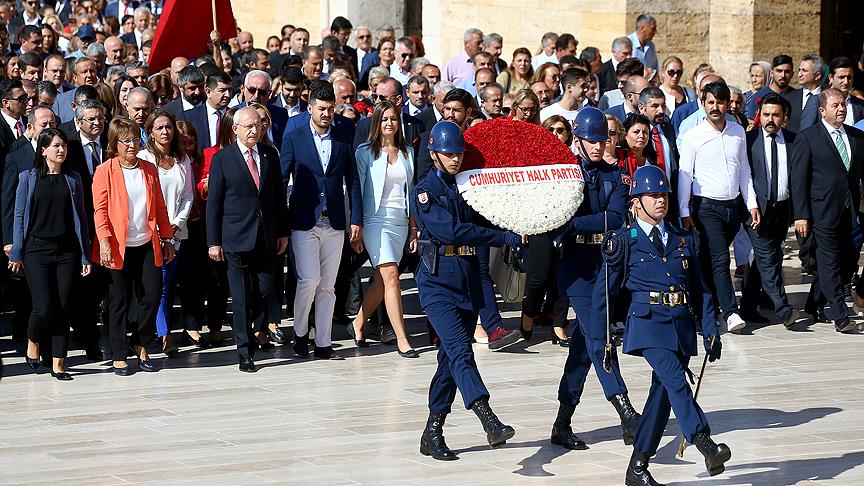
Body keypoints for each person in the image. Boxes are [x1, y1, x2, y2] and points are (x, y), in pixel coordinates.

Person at [599, 164, 729, 486]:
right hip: (646, 326)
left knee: (662, 395)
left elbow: (700, 289)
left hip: (681, 326)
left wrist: (710, 329)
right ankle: (705, 444)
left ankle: (638, 467)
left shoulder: (682, 239)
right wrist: (601, 337)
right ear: (635, 202)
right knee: (675, 380)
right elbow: (605, 293)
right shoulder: (623, 241)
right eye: (653, 195)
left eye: (664, 195)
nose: (661, 200)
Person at [413, 120, 520, 461]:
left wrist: (516, 223)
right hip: (437, 282)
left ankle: (433, 431)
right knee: (461, 350)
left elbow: (485, 217)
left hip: (467, 279)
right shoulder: (423, 190)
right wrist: (502, 237)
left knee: (448, 360)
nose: (455, 159)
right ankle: (488, 419)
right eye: (448, 153)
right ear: (433, 154)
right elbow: (454, 232)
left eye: (458, 153)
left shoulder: (468, 186)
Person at [548, 106, 638, 451]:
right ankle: (625, 410)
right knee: (600, 337)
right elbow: (558, 213)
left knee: (584, 349)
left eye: (603, 140)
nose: (599, 146)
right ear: (577, 139)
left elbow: (614, 218)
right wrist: (578, 223)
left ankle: (562, 423)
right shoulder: (564, 173)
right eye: (591, 140)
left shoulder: (615, 176)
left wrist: (576, 224)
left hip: (604, 261)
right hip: (576, 267)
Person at [281, 81, 361, 361]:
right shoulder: (295, 135)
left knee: (328, 285)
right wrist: (281, 220)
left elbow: (352, 181)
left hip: (335, 220)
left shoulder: (342, 138)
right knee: (309, 280)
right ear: (310, 107)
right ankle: (301, 331)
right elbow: (282, 177)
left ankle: (324, 343)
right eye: (321, 109)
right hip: (305, 219)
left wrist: (356, 220)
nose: (327, 114)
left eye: (331, 109)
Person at [207, 107, 288, 372]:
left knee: (264, 290)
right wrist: (213, 241)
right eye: (249, 126)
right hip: (235, 237)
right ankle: (245, 351)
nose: (255, 131)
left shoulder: (269, 155)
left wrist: (282, 231)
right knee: (240, 296)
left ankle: (247, 325)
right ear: (236, 130)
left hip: (266, 236)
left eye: (258, 125)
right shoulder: (223, 159)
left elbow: (277, 197)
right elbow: (214, 204)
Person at [93, 117, 175, 375]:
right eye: (126, 141)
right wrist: (104, 239)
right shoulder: (105, 170)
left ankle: (140, 342)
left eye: (135, 139)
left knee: (151, 295)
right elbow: (100, 209)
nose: (132, 145)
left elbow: (159, 205)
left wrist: (167, 236)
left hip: (146, 242)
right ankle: (119, 353)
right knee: (118, 301)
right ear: (114, 144)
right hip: (118, 246)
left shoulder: (148, 169)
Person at [9, 128, 91, 381]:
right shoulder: (28, 178)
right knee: (43, 307)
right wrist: (16, 251)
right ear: (43, 150)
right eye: (55, 145)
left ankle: (59, 363)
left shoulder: (73, 179)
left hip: (66, 250)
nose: (61, 150)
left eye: (64, 145)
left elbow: (82, 220)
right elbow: (19, 216)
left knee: (64, 307)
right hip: (37, 250)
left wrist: (85, 256)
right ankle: (33, 339)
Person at [678, 82, 760, 333]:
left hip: (733, 207)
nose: (715, 107)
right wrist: (684, 211)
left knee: (709, 261)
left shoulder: (738, 132)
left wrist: (752, 202)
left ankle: (705, 309)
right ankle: (731, 311)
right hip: (706, 207)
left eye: (720, 102)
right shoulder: (693, 135)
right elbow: (685, 175)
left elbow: (744, 170)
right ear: (703, 104)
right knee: (721, 259)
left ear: (728, 104)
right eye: (710, 102)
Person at [792, 88, 864, 334]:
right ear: (822, 111)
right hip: (821, 209)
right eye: (835, 105)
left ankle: (813, 304)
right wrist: (800, 214)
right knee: (829, 260)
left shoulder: (856, 136)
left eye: (843, 104)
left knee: (846, 261)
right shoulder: (809, 137)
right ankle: (840, 314)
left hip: (849, 209)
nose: (841, 108)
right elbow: (799, 179)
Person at [350, 100, 419, 358]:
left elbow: (411, 193)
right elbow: (357, 191)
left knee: (381, 280)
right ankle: (402, 338)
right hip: (374, 220)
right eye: (385, 119)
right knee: (391, 276)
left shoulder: (408, 152)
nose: (390, 123)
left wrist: (413, 228)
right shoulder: (364, 152)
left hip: (400, 221)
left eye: (394, 118)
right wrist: (356, 225)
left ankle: (358, 322)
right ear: (376, 123)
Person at [137, 109, 194, 357]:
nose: (165, 132)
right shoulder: (142, 158)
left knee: (166, 285)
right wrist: (158, 227)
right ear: (150, 131)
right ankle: (164, 335)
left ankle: (153, 330)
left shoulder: (183, 160)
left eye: (168, 127)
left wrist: (176, 224)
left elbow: (188, 197)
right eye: (159, 127)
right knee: (158, 285)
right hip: (149, 233)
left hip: (175, 232)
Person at [739, 94, 799, 329]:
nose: (770, 119)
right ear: (759, 115)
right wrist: (751, 204)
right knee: (767, 258)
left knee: (769, 256)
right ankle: (783, 309)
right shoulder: (749, 139)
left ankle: (748, 305)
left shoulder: (794, 141)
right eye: (766, 114)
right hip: (756, 209)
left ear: (784, 118)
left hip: (782, 209)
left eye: (776, 115)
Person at [176, 120, 226, 347]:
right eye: (183, 142)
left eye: (191, 142)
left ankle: (215, 326)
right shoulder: (173, 163)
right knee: (191, 282)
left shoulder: (202, 159)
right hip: (184, 229)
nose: (187, 146)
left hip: (206, 226)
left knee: (216, 281)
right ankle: (191, 326)